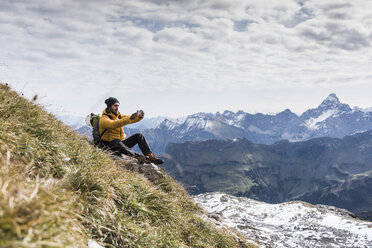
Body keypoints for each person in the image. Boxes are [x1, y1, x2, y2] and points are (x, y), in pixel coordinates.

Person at [99, 97, 163, 164]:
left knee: (139, 136)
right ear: (109, 107)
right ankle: (138, 157)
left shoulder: (119, 116)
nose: (117, 108)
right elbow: (113, 124)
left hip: (121, 144)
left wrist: (139, 117)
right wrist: (129, 118)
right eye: (115, 106)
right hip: (109, 146)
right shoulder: (103, 119)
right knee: (116, 141)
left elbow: (131, 119)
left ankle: (150, 156)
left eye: (118, 106)